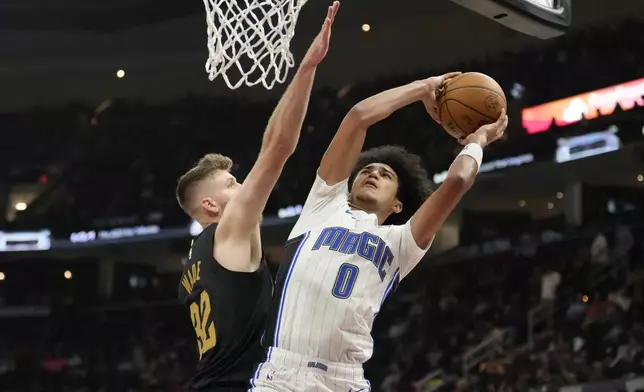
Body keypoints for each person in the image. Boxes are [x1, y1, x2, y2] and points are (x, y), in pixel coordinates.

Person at [250, 75, 508, 391]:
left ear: (398, 204)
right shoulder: (322, 206)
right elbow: (359, 117)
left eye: (385, 175)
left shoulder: (401, 243)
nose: (373, 172)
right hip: (283, 374)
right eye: (367, 170)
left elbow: (456, 182)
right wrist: (423, 88)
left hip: (345, 379)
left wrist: (477, 143)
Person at [175, 3, 340, 391]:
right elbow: (278, 147)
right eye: (231, 184)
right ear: (210, 206)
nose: (243, 186)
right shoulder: (227, 231)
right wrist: (307, 68)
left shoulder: (194, 262)